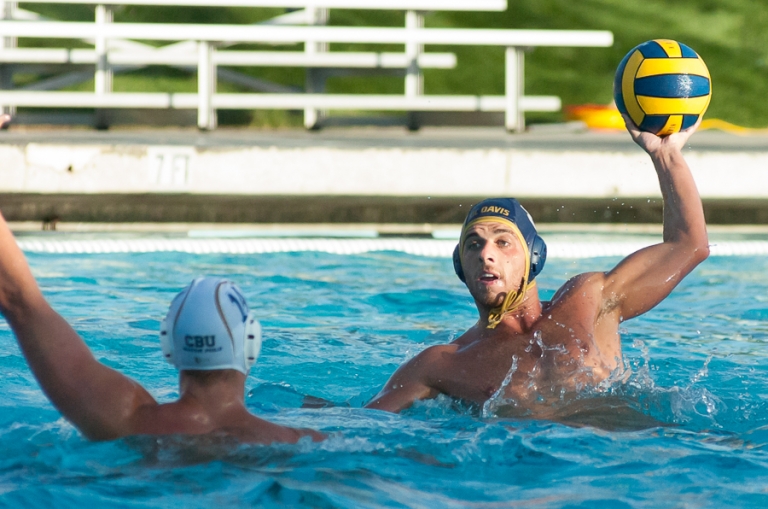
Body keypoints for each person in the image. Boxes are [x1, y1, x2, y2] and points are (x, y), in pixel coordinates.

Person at [366, 116, 710, 415]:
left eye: (503, 242)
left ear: (534, 258)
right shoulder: (441, 363)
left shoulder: (589, 301)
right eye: (473, 244)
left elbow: (688, 245)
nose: (486, 254)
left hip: (625, 459)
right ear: (460, 265)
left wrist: (666, 156)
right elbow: (363, 424)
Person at [0, 216, 324, 443]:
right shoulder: (301, 445)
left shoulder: (124, 421)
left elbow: (17, 299)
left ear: (168, 345)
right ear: (252, 344)